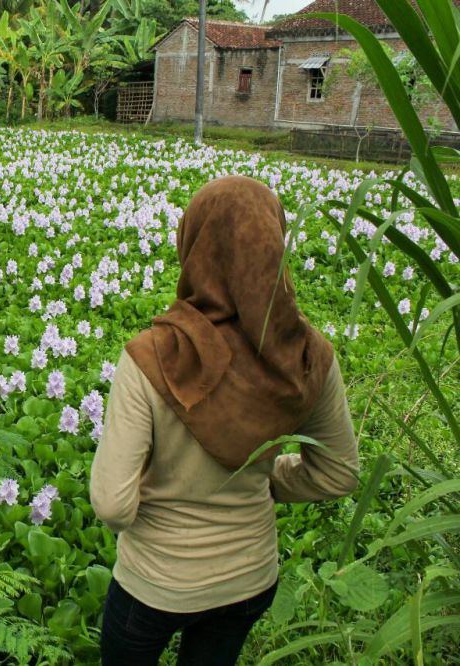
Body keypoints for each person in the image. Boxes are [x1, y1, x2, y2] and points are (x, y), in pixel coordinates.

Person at [89, 175, 359, 666]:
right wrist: (265, 478)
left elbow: (113, 506)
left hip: (156, 584)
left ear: (193, 243)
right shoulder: (308, 355)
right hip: (249, 579)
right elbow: (339, 473)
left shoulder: (152, 356)